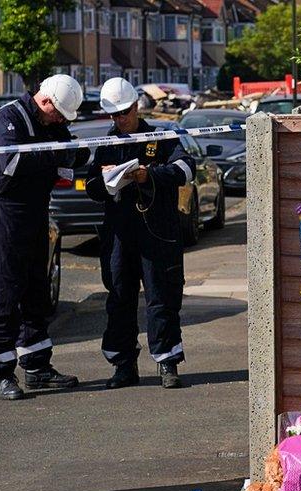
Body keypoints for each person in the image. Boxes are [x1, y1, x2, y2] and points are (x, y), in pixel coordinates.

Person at [0, 74, 91, 400]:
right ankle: (1, 373)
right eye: (58, 114)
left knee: (35, 292)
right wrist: (57, 155)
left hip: (34, 214)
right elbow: (11, 161)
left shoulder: (51, 124)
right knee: (0, 293)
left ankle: (37, 367)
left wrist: (70, 154)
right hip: (5, 215)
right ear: (46, 102)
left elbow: (70, 158)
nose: (60, 121)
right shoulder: (9, 118)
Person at [85, 77, 196, 389]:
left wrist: (150, 175)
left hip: (158, 231)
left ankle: (167, 362)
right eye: (115, 115)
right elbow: (91, 187)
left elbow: (187, 169)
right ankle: (123, 365)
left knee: (162, 296)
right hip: (119, 233)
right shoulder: (106, 143)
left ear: (136, 106)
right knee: (119, 297)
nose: (120, 120)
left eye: (125, 113)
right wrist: (106, 182)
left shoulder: (161, 135)